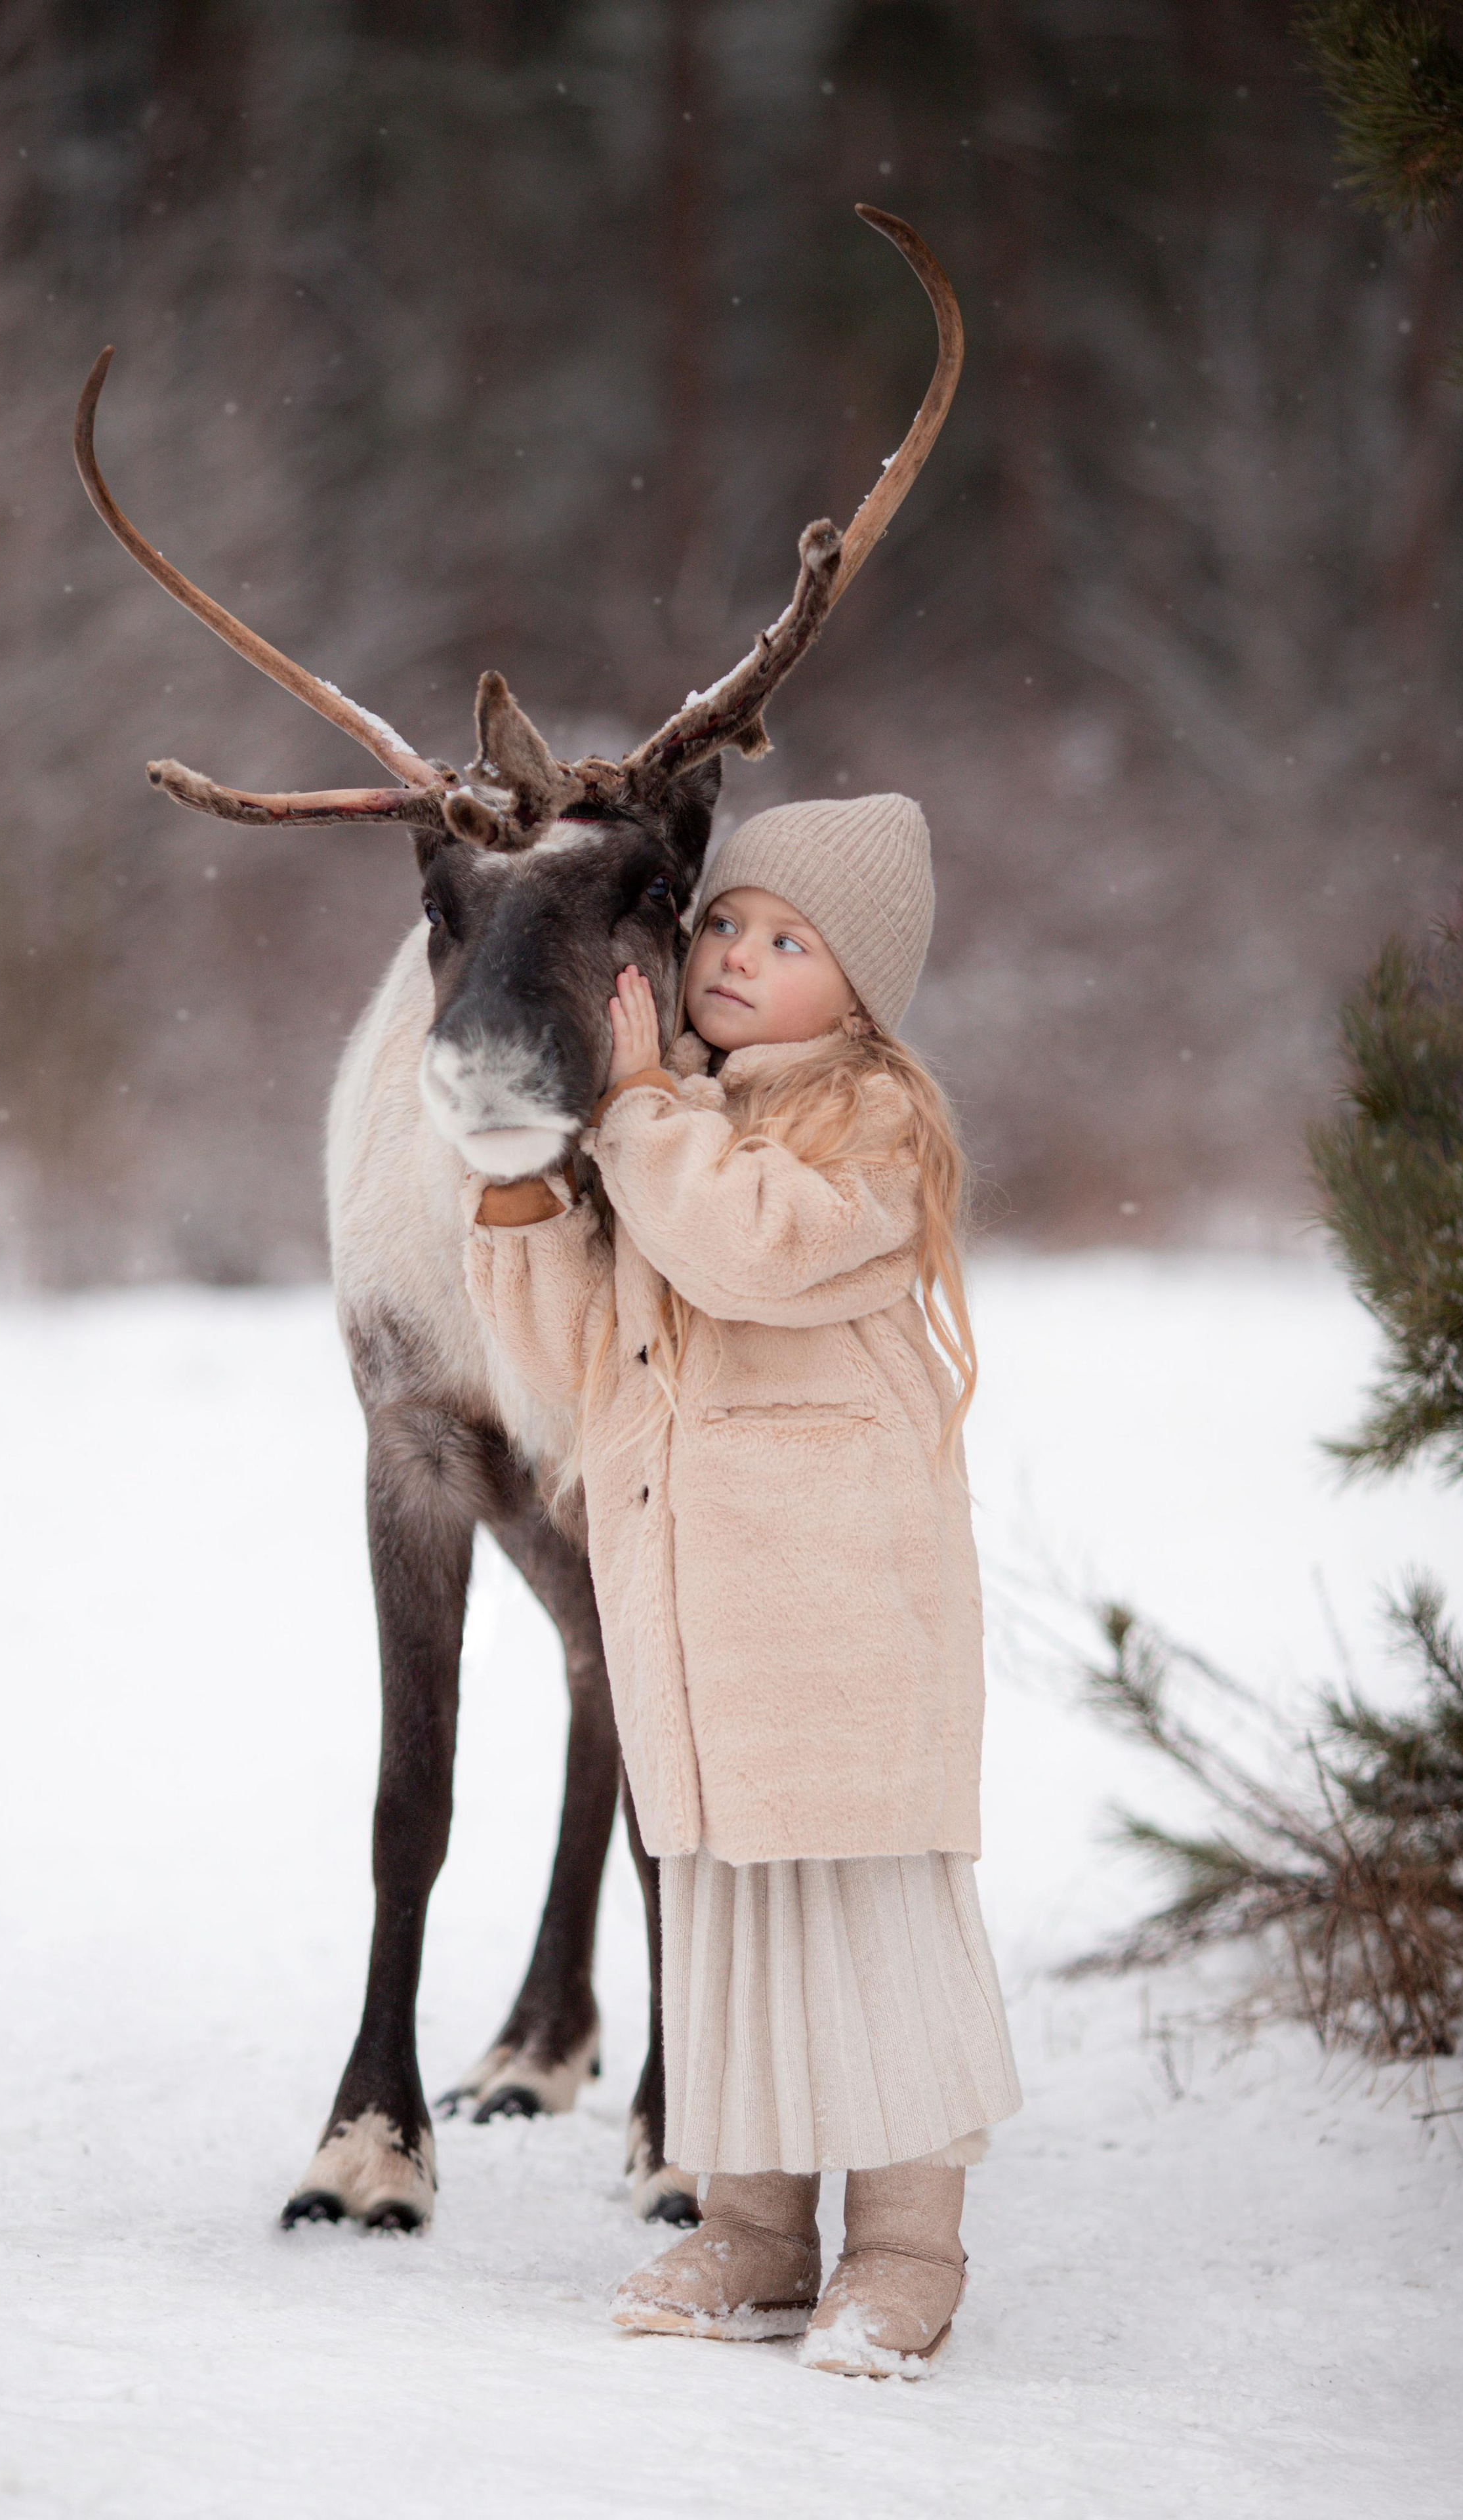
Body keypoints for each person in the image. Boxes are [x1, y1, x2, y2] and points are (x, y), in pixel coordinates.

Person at [463, 794, 1020, 2378]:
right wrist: (520, 1208)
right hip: (703, 1630)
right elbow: (572, 1368)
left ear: (858, 995)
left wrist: (639, 1113)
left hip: (837, 1618)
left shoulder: (868, 1125)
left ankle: (905, 2250)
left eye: (789, 942)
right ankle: (758, 2234)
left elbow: (752, 1252)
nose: (735, 955)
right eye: (724, 922)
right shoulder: (676, 1126)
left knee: (863, 1925)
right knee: (734, 1930)